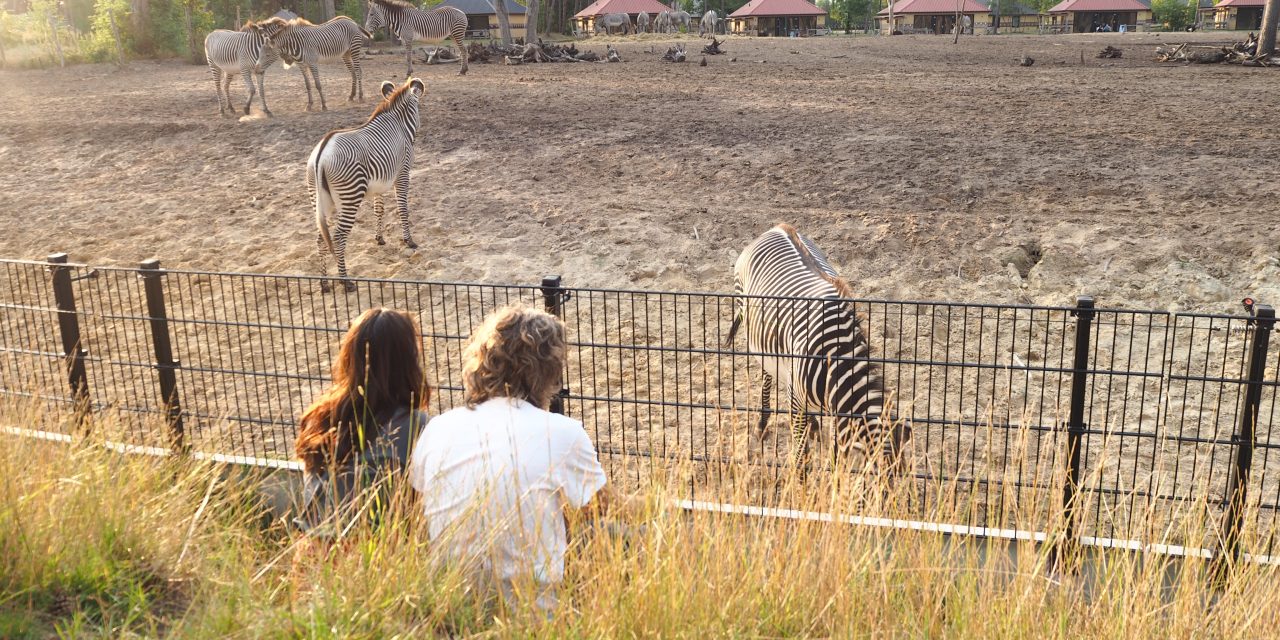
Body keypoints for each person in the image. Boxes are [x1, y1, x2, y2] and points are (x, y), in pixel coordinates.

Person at [409, 304, 609, 615]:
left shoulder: (438, 427)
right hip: (532, 614)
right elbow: (604, 508)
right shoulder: (563, 434)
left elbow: (417, 511)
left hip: (449, 610)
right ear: (551, 370)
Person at [293, 307, 430, 543]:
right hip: (374, 555)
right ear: (409, 361)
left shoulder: (319, 418)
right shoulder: (416, 425)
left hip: (311, 557)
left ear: (349, 356)